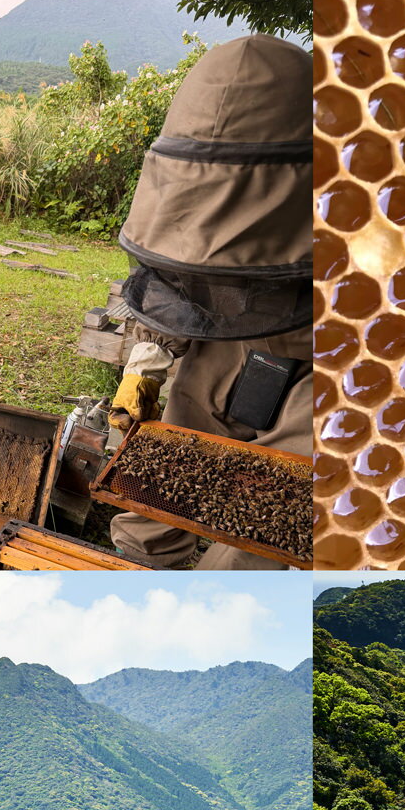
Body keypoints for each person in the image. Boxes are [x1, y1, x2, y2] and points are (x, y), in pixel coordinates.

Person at [106, 33, 312, 570]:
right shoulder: (189, 171)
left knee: (271, 516)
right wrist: (147, 365)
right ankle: (144, 573)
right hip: (227, 341)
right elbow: (176, 277)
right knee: (159, 471)